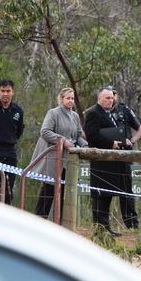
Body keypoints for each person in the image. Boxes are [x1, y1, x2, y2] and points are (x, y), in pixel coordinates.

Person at [32, 88, 88, 219]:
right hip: (53, 158)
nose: (70, 101)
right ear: (61, 99)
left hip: (68, 160)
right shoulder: (53, 113)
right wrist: (62, 141)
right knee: (49, 189)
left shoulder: (74, 116)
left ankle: (61, 223)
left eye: (72, 98)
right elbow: (45, 131)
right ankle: (39, 220)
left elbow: (78, 135)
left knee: (64, 192)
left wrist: (84, 145)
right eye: (68, 98)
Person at [84, 87, 131, 237]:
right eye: (107, 98)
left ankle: (106, 227)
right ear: (99, 99)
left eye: (112, 98)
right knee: (100, 195)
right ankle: (99, 228)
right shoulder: (93, 114)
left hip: (111, 163)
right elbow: (91, 135)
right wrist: (111, 144)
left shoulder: (110, 114)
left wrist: (123, 141)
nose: (110, 101)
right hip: (100, 162)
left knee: (108, 195)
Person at [110, 87, 141, 228]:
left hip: (124, 154)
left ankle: (131, 223)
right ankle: (104, 224)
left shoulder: (124, 110)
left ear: (116, 96)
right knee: (107, 190)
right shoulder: (101, 112)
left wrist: (133, 140)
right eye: (108, 95)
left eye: (113, 95)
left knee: (126, 190)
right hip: (108, 155)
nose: (111, 98)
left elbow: (140, 129)